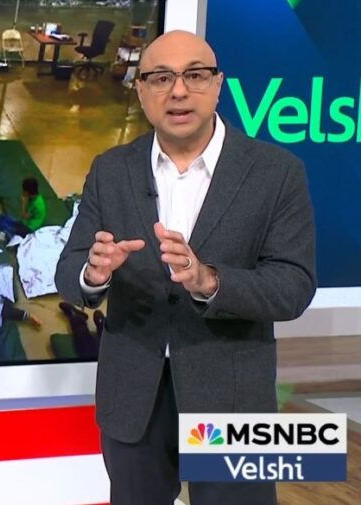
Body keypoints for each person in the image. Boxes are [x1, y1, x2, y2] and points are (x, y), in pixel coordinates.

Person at [54, 30, 316, 505]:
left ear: (218, 85)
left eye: (194, 75)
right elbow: (69, 269)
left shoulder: (278, 173)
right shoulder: (111, 169)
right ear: (141, 90)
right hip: (133, 395)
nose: (178, 91)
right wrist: (96, 274)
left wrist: (209, 281)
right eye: (160, 77)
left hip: (232, 399)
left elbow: (293, 286)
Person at [0, 177, 47, 242]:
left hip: (29, 228)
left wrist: (24, 203)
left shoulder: (36, 205)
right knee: (6, 220)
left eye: (23, 191)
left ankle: (9, 237)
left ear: (27, 192)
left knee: (5, 225)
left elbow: (24, 216)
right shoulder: (36, 198)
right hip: (26, 223)